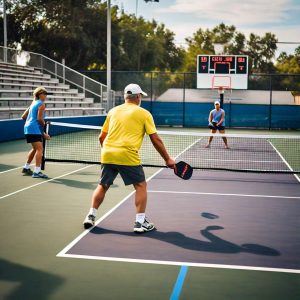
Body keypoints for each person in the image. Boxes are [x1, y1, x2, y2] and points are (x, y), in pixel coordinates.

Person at [83, 83, 176, 233]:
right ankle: (140, 223)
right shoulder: (144, 114)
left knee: (103, 185)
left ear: (126, 97)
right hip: (127, 154)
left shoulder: (113, 111)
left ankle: (90, 216)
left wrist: (108, 152)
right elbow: (155, 139)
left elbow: (101, 137)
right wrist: (167, 159)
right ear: (138, 97)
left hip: (107, 152)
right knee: (140, 186)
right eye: (141, 97)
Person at [21, 86, 50, 178]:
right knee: (40, 149)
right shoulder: (41, 104)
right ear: (40, 94)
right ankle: (37, 172)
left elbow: (23, 116)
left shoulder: (33, 103)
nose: (46, 96)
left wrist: (31, 122)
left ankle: (26, 167)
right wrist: (44, 133)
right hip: (34, 129)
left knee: (35, 148)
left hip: (27, 128)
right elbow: (39, 119)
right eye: (45, 94)